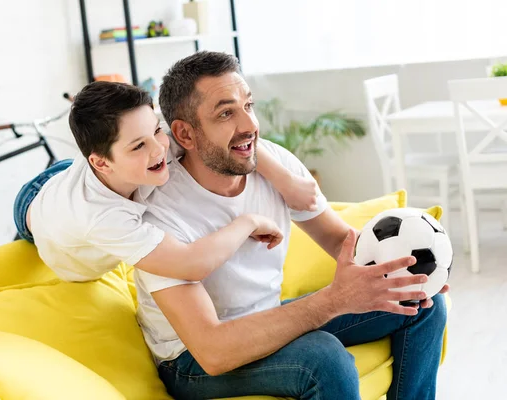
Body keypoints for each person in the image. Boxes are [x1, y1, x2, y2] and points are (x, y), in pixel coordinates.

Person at [134, 51, 449, 400]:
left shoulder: (272, 163)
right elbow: (213, 350)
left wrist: (410, 272)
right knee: (322, 356)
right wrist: (334, 300)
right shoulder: (159, 212)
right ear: (185, 134)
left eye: (248, 106)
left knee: (419, 302)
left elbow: (340, 241)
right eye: (226, 113)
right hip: (192, 359)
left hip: (266, 315)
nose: (250, 125)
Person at [13, 81, 319, 282]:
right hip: (36, 203)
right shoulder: (103, 218)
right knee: (29, 237)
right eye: (138, 146)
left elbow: (220, 140)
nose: (161, 147)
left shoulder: (150, 145)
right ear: (102, 162)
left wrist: (285, 180)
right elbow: (189, 265)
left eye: (156, 130)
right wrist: (248, 222)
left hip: (76, 172)